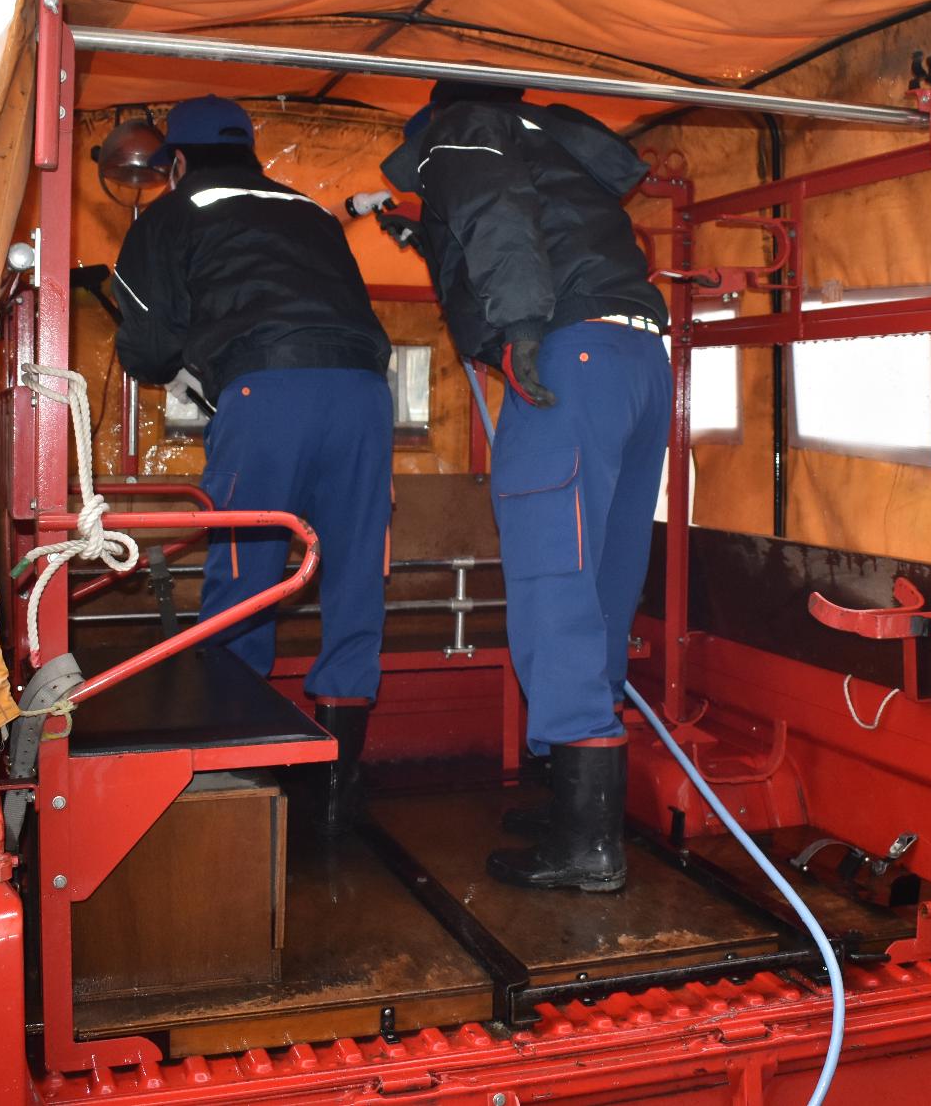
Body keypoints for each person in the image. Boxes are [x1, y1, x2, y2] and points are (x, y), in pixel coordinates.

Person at [381, 80, 671, 893]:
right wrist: (426, 231)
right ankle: (574, 806)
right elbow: (528, 215)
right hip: (641, 360)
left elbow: (496, 215)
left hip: (565, 356)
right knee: (605, 580)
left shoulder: (464, 125)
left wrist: (516, 333)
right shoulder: (553, 143)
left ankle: (586, 844)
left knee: (553, 582)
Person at [114, 94, 393, 834]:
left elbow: (142, 346)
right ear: (251, 152)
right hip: (367, 393)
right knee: (356, 574)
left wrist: (186, 365)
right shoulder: (308, 212)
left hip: (268, 392)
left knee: (244, 575)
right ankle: (338, 794)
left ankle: (237, 779)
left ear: (175, 159)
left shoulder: (172, 212)